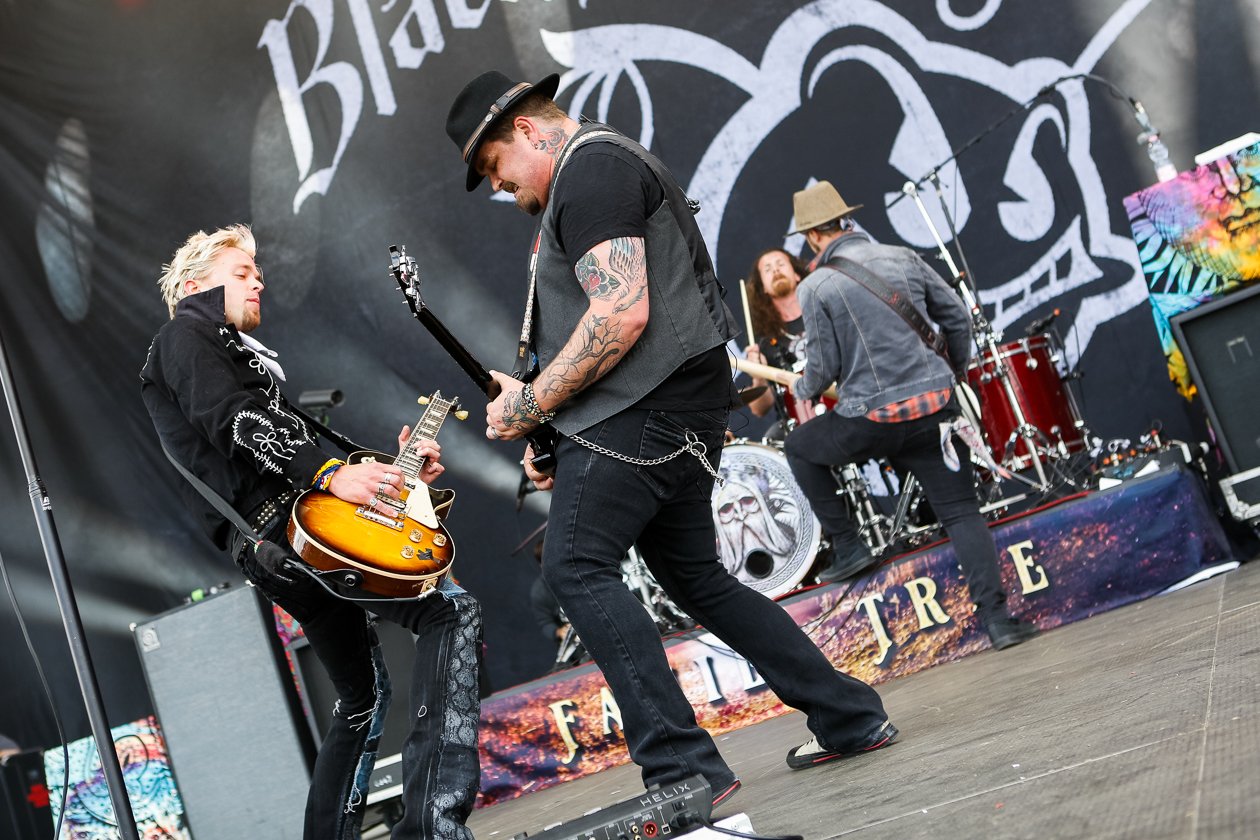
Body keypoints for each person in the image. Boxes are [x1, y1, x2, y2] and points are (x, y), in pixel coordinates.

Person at [445, 70, 898, 795]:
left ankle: (683, 768)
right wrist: (549, 422)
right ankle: (848, 715)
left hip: (645, 416)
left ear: (528, 130)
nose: (498, 187)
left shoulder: (591, 169)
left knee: (573, 568)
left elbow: (620, 313)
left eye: (493, 167)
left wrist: (531, 408)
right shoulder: (593, 173)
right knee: (697, 579)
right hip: (664, 414)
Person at [140, 225, 482, 840]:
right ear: (195, 287)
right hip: (283, 528)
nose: (258, 278)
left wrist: (383, 472)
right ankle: (433, 824)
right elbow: (235, 421)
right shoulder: (186, 332)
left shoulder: (230, 353)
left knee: (363, 697)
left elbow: (275, 440)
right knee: (448, 614)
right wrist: (331, 473)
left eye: (258, 270)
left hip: (293, 530)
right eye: (242, 271)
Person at [782, 180, 1039, 651]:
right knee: (962, 513)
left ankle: (850, 545)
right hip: (934, 412)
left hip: (871, 422)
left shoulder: (816, 285)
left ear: (813, 237)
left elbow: (822, 372)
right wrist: (951, 374)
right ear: (846, 221)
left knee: (800, 448)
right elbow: (957, 319)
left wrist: (801, 386)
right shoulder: (902, 257)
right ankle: (999, 621)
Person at [741, 248, 811, 431]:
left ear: (797, 275)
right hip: (803, 425)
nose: (775, 270)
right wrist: (759, 376)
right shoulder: (766, 346)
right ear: (763, 288)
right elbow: (760, 409)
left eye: (780, 264)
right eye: (767, 269)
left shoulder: (823, 314)